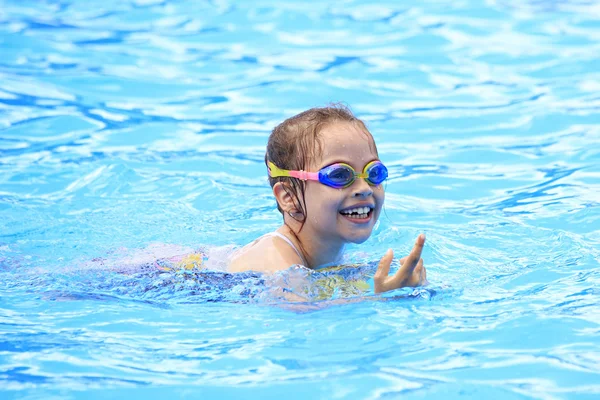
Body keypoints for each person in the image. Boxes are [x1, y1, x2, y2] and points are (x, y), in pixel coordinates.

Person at [228, 105, 427, 293]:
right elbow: (302, 315)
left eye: (374, 173)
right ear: (289, 197)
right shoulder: (275, 258)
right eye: (339, 175)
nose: (364, 189)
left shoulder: (334, 254)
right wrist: (382, 298)